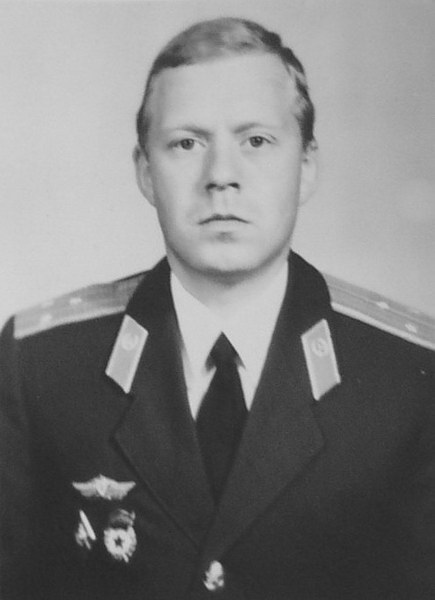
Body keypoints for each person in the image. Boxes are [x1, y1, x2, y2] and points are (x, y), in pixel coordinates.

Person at [1, 16, 434, 600]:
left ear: (306, 166)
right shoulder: (41, 367)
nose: (221, 177)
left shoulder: (407, 378)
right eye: (187, 143)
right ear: (145, 172)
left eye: (256, 141)